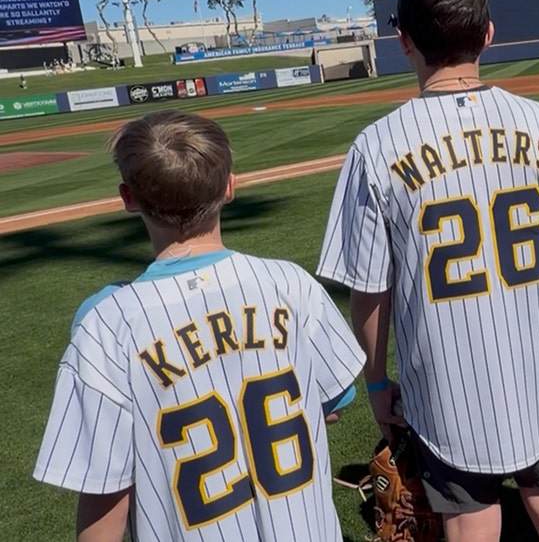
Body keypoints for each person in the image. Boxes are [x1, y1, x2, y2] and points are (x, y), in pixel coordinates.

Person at [315, 0, 539, 542]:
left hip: (445, 387)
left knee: (472, 523)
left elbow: (369, 288)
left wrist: (375, 382)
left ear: (405, 42)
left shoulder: (376, 147)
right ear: (488, 35)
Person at [32, 110, 365, 541]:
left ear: (128, 198)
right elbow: (334, 401)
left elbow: (104, 497)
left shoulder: (106, 324)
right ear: (230, 187)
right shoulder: (290, 283)